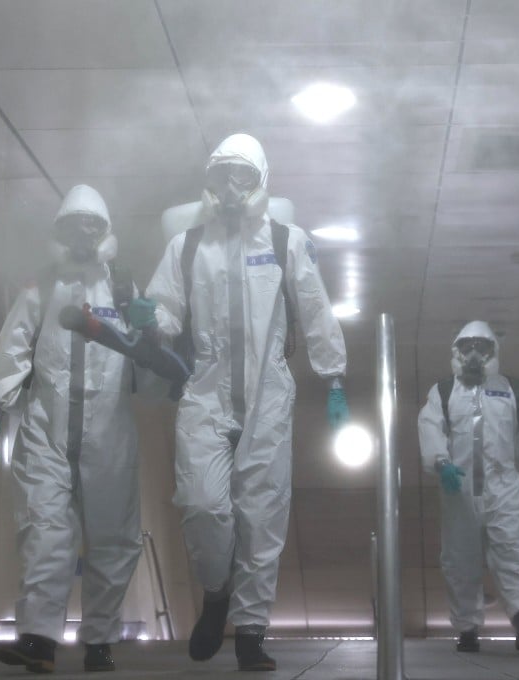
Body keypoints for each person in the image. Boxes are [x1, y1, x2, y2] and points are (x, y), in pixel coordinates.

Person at [128, 133, 349, 672]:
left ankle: (251, 631)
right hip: (204, 390)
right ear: (209, 180)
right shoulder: (186, 245)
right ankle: (216, 589)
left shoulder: (285, 239)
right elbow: (167, 310)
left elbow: (316, 307)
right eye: (223, 174)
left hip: (268, 394)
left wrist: (335, 377)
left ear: (261, 180)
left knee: (262, 515)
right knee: (203, 505)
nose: (232, 187)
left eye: (242, 175)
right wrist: (151, 319)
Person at [0, 184, 142, 674]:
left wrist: (152, 328)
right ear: (60, 231)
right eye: (74, 225)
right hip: (46, 429)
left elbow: (153, 366)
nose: (84, 234)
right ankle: (38, 640)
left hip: (109, 434)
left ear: (106, 231)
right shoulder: (41, 285)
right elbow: (15, 345)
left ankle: (99, 642)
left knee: (112, 537)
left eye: (93, 225)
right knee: (44, 530)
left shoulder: (126, 288)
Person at [418, 320, 519, 653]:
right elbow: (429, 426)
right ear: (457, 351)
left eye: (482, 346)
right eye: (467, 347)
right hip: (459, 488)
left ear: (493, 350)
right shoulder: (444, 390)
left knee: (513, 551)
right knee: (461, 559)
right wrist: (441, 461)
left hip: (504, 485)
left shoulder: (512, 390)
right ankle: (467, 629)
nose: (474, 354)